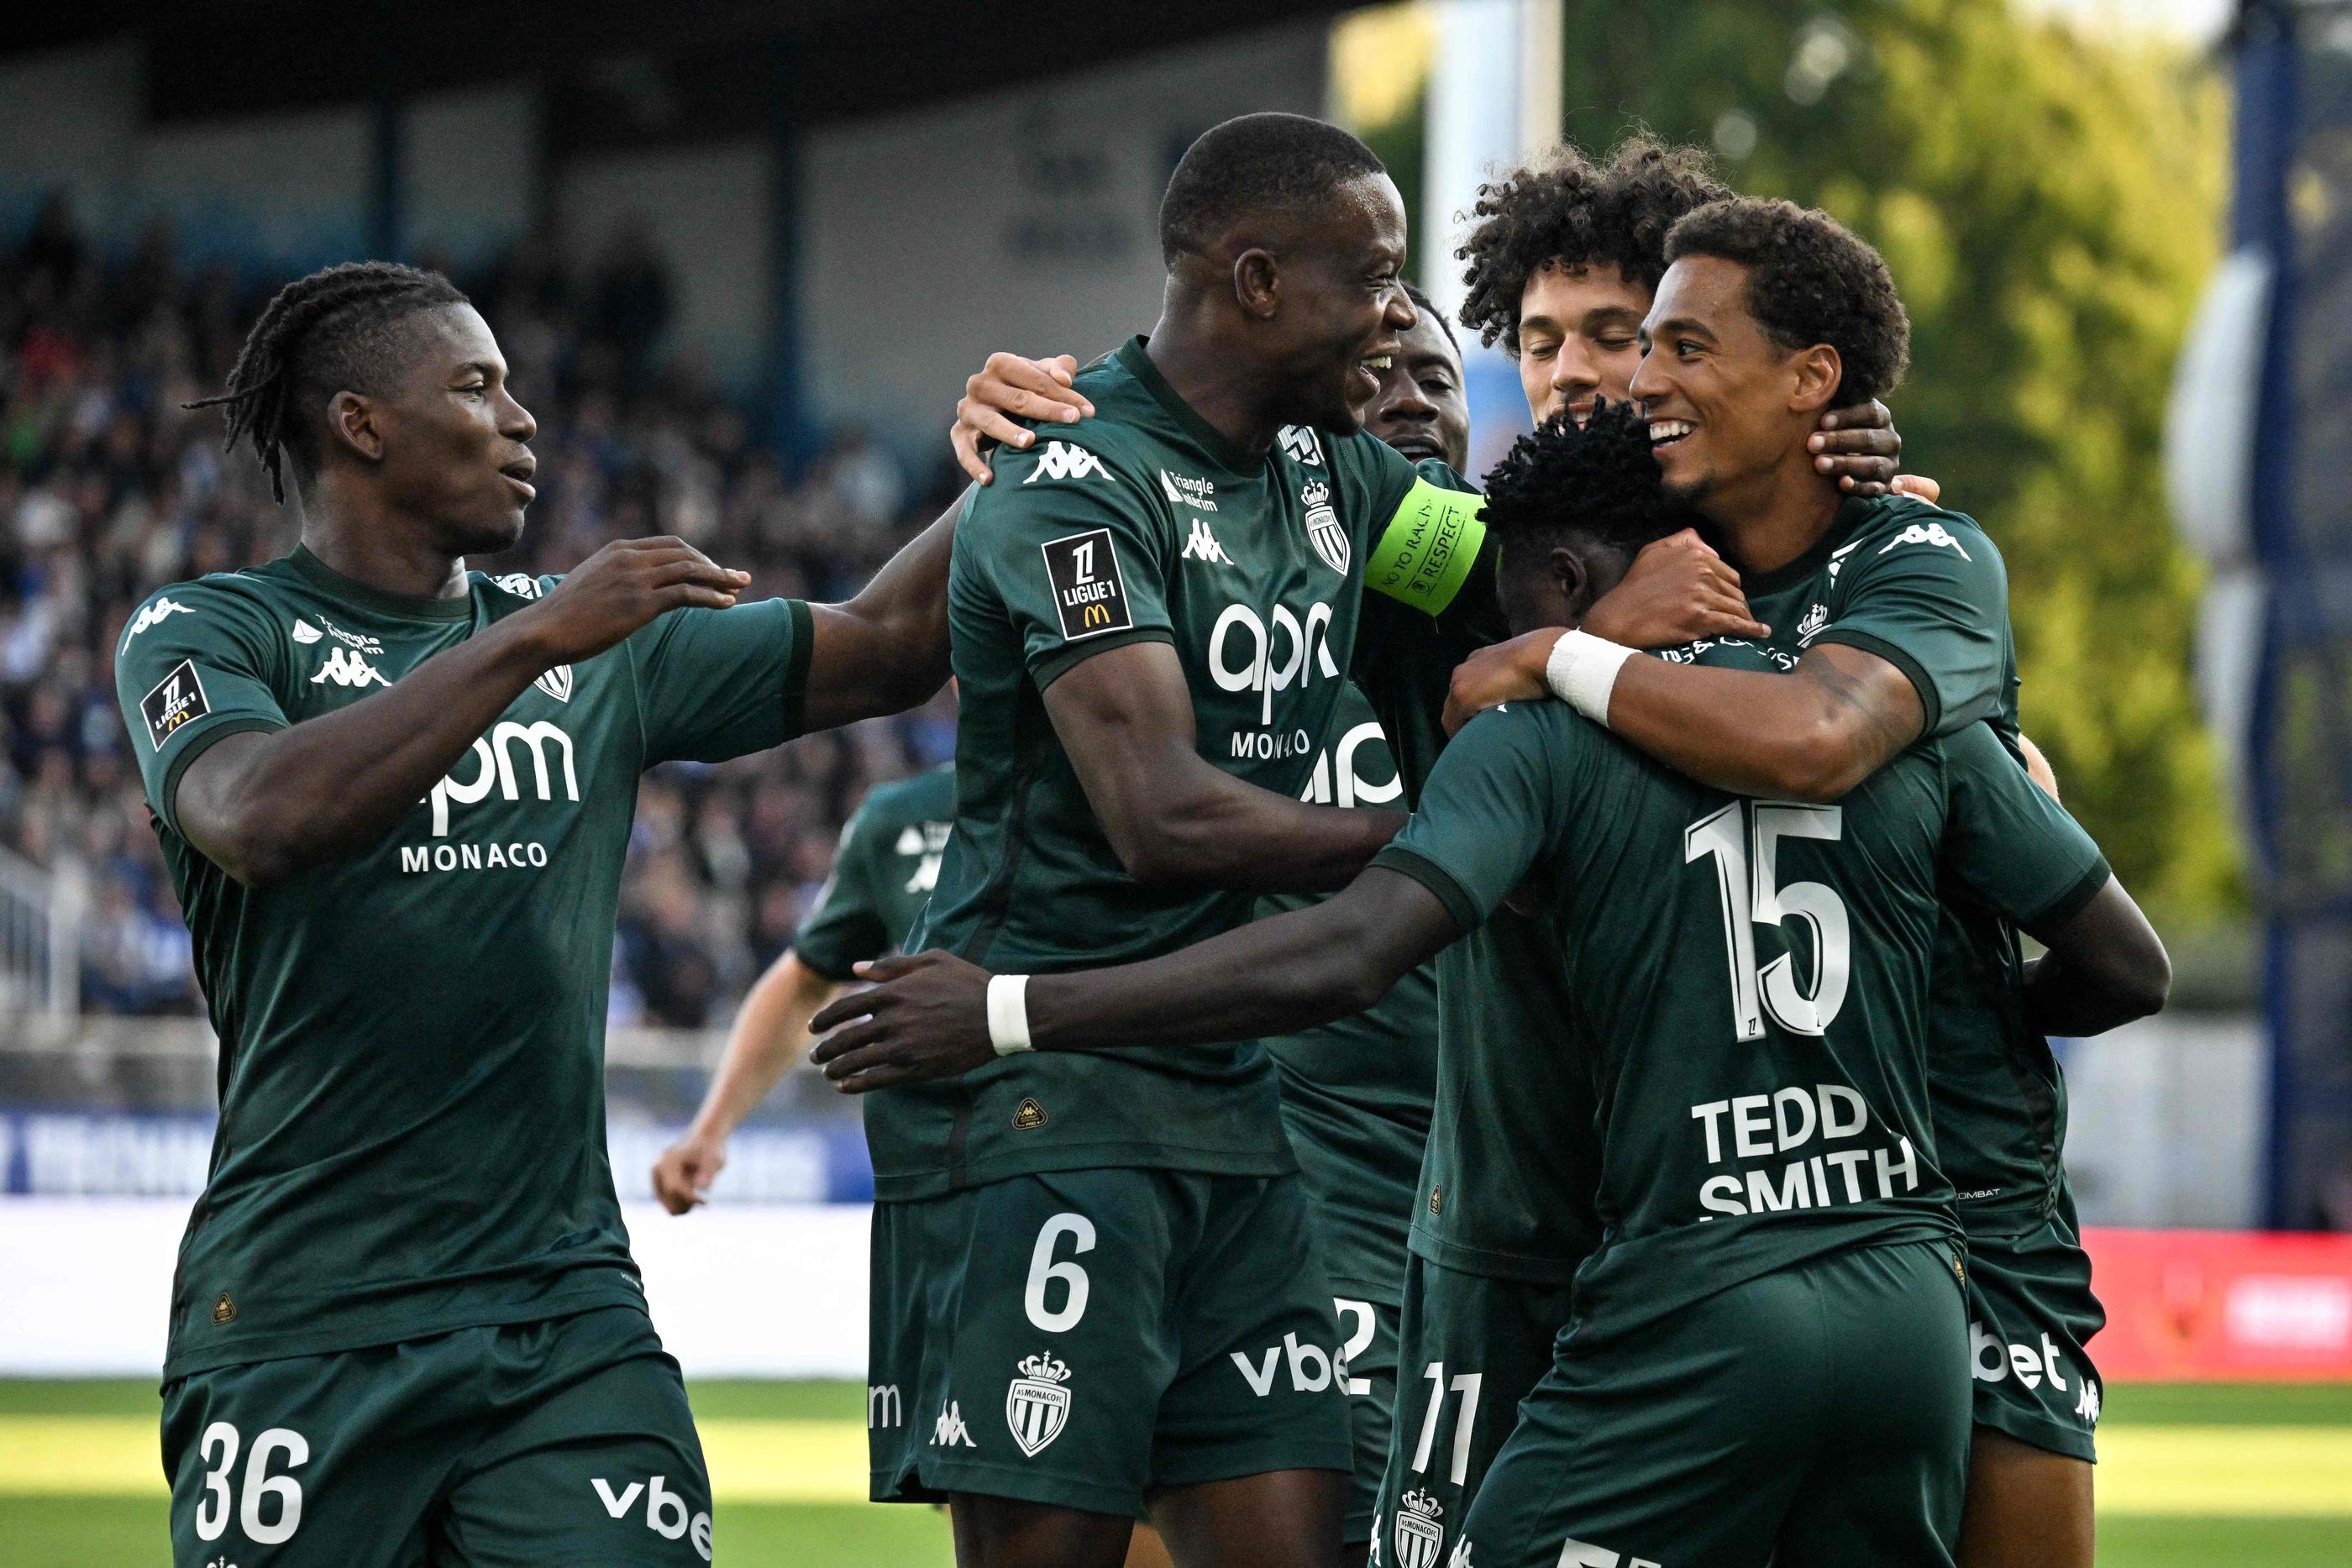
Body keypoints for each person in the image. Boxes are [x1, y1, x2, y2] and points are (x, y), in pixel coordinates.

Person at [806, 405, 2171, 1567]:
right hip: (1902, 1291)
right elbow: (2124, 959)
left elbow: (1343, 950)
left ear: (1565, 581)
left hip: (1660, 1280)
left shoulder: (1533, 735)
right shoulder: (1888, 711)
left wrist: (1006, 1006)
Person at [939, 138, 1923, 1553]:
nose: (1575, 369)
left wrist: (1865, 509)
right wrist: (1022, 431)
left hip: (1634, 1222)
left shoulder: (1693, 605)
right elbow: (1053, 540)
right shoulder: (1381, 544)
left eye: (1616, 333)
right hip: (1327, 1202)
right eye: (1536, 338)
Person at [115, 260, 960, 1566]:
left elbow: (896, 640)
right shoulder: (215, 629)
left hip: (561, 1313)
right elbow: (260, 815)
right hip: (300, 1311)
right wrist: (527, 645)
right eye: (478, 385)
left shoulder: (604, 646)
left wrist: (1051, 461)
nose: (522, 420)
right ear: (361, 422)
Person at [651, 761, 955, 1215]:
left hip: (1071, 1140)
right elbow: (806, 980)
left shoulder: (1094, 784)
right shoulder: (902, 816)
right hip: (935, 1168)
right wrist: (710, 1129)